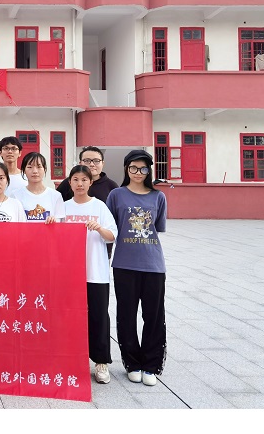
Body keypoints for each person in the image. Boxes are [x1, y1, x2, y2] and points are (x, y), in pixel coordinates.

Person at [106, 150, 168, 387]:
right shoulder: (116, 195)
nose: (138, 173)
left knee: (154, 316)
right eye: (133, 168)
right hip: (124, 264)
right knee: (126, 315)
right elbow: (110, 228)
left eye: (143, 168)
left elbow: (157, 228)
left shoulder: (158, 196)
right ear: (126, 169)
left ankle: (151, 365)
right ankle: (132, 363)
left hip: (153, 265)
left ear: (149, 171)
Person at [63, 165, 118, 385]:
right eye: (75, 180)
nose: (80, 184)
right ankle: (70, 359)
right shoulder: (63, 207)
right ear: (70, 183)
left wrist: (98, 228)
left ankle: (101, 361)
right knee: (69, 317)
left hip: (96, 272)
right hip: (69, 274)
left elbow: (112, 235)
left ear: (90, 182)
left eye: (84, 180)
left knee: (98, 316)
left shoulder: (99, 207)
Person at [14, 152, 65, 223]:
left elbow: (61, 223)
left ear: (44, 169)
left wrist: (53, 221)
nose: (35, 171)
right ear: (24, 170)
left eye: (39, 167)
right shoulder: (16, 195)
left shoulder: (55, 196)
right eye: (30, 167)